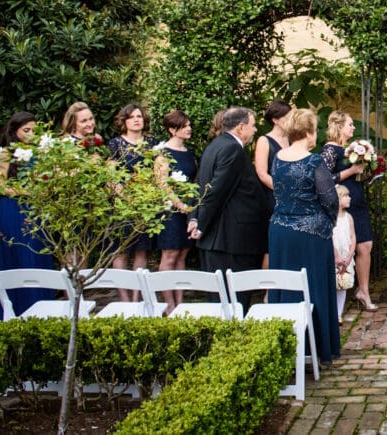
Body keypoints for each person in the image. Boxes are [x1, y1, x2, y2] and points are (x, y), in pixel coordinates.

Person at [269, 108, 341, 362]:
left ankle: (286, 345)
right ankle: (317, 348)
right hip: (312, 233)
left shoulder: (278, 157)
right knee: (314, 285)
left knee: (285, 282)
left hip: (280, 230)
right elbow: (330, 199)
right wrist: (330, 222)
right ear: (309, 132)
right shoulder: (313, 161)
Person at [189, 106, 270, 311]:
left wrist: (195, 218)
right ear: (241, 127)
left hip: (219, 238)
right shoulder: (232, 149)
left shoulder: (215, 145)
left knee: (221, 300)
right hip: (230, 240)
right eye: (253, 126)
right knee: (234, 301)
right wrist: (201, 224)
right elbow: (216, 190)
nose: (255, 131)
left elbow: (198, 185)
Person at [0, 111, 54, 319]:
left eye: (34, 130)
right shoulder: (5, 154)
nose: (30, 134)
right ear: (15, 131)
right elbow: (1, 187)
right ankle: (17, 311)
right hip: (13, 210)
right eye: (26, 130)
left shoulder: (42, 153)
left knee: (39, 255)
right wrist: (28, 192)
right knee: (19, 256)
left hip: (37, 210)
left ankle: (44, 309)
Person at [320, 111, 377, 310]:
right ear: (339, 126)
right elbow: (325, 180)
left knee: (365, 245)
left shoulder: (348, 150)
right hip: (340, 206)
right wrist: (352, 171)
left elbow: (355, 177)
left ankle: (363, 290)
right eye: (350, 124)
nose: (353, 128)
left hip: (356, 202)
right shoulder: (329, 150)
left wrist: (367, 171)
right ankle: (338, 294)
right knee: (344, 247)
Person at [107, 103, 157, 298]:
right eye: (132, 117)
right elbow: (111, 178)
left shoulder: (152, 143)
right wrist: (127, 198)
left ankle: (138, 297)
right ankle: (124, 298)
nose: (137, 119)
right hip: (121, 206)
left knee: (141, 251)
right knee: (120, 251)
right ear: (124, 121)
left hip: (145, 205)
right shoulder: (115, 144)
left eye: (139, 116)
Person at [157, 109, 198, 314]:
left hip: (188, 209)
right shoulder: (163, 153)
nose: (189, 128)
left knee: (182, 254)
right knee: (169, 255)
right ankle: (169, 304)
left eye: (189, 125)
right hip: (170, 211)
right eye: (184, 126)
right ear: (172, 130)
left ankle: (180, 302)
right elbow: (162, 184)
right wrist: (180, 205)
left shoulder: (189, 153)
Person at [254, 100, 291, 269]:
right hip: (271, 197)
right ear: (275, 119)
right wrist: (283, 191)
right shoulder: (264, 140)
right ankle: (268, 291)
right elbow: (262, 173)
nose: (291, 120)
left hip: (291, 197)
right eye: (287, 116)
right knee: (271, 246)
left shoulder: (291, 140)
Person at [332, 184, 357, 322]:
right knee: (333, 282)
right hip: (334, 257)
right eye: (345, 196)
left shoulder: (349, 218)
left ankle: (338, 313)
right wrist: (336, 256)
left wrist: (349, 255)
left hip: (346, 256)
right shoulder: (331, 218)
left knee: (343, 284)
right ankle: (331, 311)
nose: (349, 198)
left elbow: (353, 237)